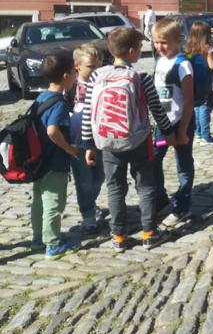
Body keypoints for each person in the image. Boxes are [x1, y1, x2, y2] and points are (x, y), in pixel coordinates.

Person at [81, 28, 175, 250]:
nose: (141, 51)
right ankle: (149, 232)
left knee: (114, 188)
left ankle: (119, 236)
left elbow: (88, 112)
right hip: (138, 140)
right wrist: (169, 132)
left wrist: (88, 145)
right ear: (132, 51)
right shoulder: (141, 78)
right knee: (146, 186)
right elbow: (157, 110)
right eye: (140, 48)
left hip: (108, 142)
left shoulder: (96, 76)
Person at [31, 53, 80, 259]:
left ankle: (38, 238)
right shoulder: (59, 103)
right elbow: (53, 131)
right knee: (53, 202)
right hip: (54, 162)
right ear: (66, 76)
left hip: (39, 160)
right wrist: (69, 148)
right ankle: (52, 244)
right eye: (75, 71)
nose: (77, 74)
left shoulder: (41, 97)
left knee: (39, 200)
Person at [151, 17, 196, 226]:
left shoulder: (183, 65)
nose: (160, 46)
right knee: (153, 160)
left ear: (178, 40)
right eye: (156, 42)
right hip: (162, 124)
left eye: (164, 42)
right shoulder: (159, 61)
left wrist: (183, 130)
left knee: (183, 165)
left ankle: (182, 206)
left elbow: (189, 101)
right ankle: (161, 200)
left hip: (180, 123)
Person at [69, 44, 106, 235]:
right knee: (83, 179)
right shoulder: (71, 86)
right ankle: (88, 214)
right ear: (77, 66)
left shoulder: (101, 82)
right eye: (91, 66)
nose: (95, 70)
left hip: (98, 137)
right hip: (77, 140)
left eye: (98, 65)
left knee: (100, 175)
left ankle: (90, 202)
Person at [185, 21, 213, 146]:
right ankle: (206, 136)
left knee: (196, 108)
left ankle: (198, 134)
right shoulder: (207, 49)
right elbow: (212, 66)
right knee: (205, 107)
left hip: (194, 82)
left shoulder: (189, 49)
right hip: (205, 82)